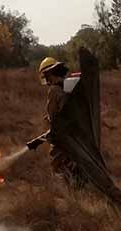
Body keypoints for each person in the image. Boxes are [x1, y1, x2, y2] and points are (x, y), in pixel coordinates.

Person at [37, 57, 86, 187]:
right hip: (75, 133)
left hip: (62, 136)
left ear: (49, 75)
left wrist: (50, 127)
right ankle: (79, 187)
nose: (46, 80)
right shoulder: (67, 86)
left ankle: (68, 193)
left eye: (46, 76)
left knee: (58, 165)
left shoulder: (54, 90)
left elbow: (54, 115)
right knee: (72, 162)